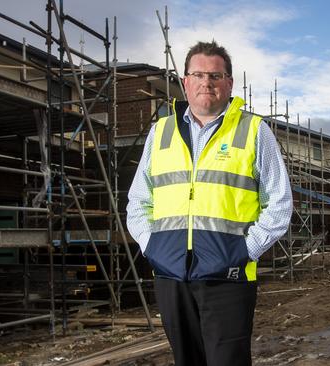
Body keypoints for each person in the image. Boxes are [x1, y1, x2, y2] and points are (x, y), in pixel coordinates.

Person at [126, 40, 292, 366]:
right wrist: (152, 246)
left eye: (215, 76)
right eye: (198, 74)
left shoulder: (254, 132)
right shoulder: (160, 132)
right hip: (171, 277)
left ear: (229, 83)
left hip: (227, 278)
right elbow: (138, 201)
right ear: (185, 81)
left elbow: (280, 203)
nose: (207, 83)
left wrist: (243, 252)